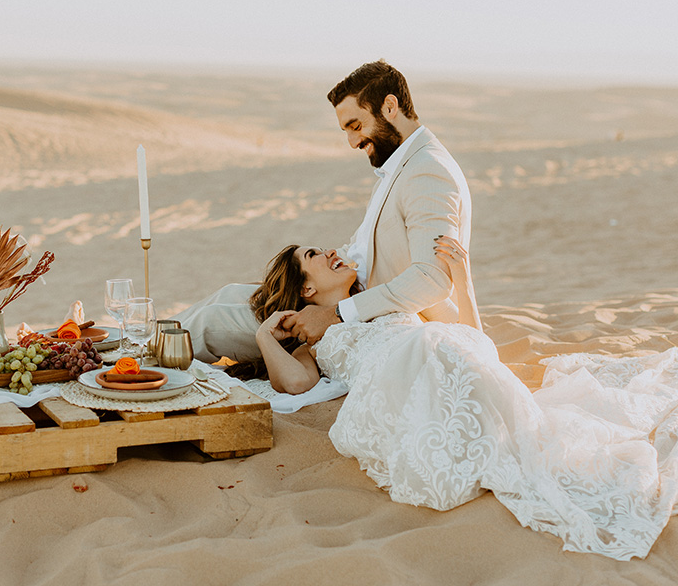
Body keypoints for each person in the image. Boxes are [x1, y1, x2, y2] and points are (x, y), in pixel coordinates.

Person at [251, 237, 678, 561]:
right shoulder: (316, 337)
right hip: (398, 376)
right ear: (305, 291)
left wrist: (463, 278)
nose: (329, 252)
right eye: (313, 256)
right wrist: (263, 337)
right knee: (431, 341)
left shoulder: (390, 300)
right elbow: (295, 384)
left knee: (438, 339)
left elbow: (474, 340)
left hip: (441, 354)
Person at [175, 59, 470, 362]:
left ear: (390, 106)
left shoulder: (427, 173)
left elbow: (431, 279)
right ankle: (142, 337)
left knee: (212, 323)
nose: (353, 141)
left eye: (356, 126)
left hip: (374, 319)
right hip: (340, 296)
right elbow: (366, 250)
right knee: (230, 294)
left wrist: (334, 313)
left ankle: (141, 354)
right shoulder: (402, 165)